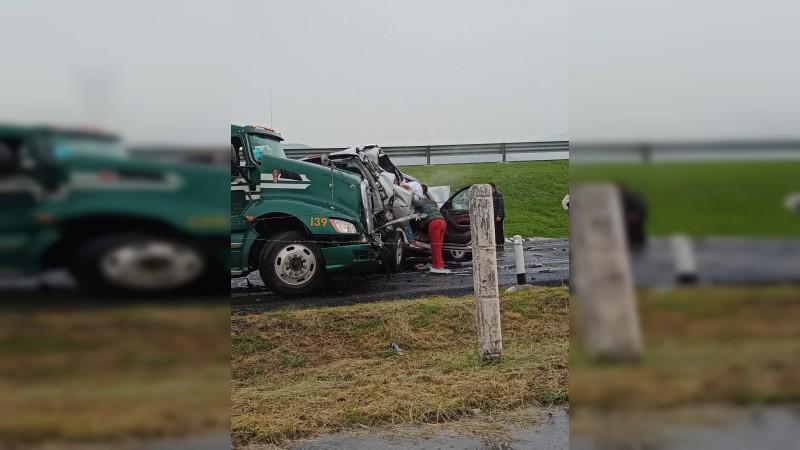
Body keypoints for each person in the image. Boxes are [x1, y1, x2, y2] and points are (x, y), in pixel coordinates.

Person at [411, 185, 450, 274]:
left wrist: (410, 195)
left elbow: (416, 204)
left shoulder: (420, 199)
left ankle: (438, 266)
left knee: (434, 245)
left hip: (434, 223)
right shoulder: (431, 201)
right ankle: (439, 264)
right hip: (442, 221)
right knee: (439, 245)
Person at [401, 178, 424, 249]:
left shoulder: (414, 184)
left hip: (407, 205)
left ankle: (410, 240)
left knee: (406, 222)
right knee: (406, 222)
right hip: (410, 207)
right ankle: (411, 241)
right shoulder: (416, 185)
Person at [490, 183, 505, 250]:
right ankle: (496, 243)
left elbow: (501, 206)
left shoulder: (498, 194)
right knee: (494, 230)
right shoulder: (490, 195)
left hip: (497, 215)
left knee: (499, 230)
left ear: (494, 188)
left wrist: (499, 215)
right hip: (492, 215)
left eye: (491, 188)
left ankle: (500, 243)